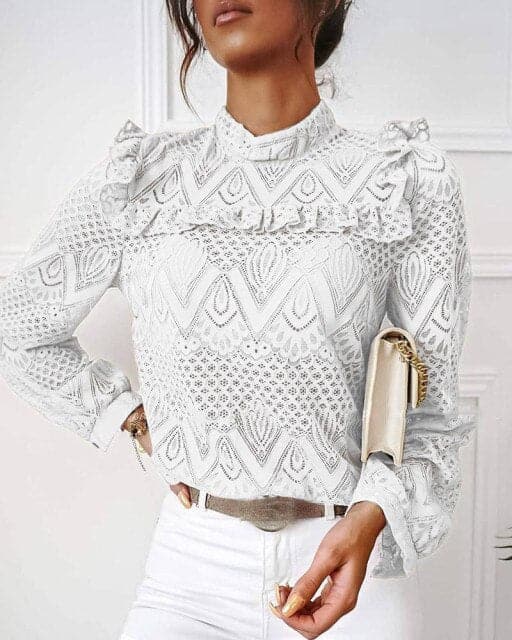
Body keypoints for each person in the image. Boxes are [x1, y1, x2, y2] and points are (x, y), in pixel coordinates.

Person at [0, 1, 475, 638]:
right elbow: (18, 325)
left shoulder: (404, 180)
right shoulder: (142, 179)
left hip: (349, 574)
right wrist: (130, 417)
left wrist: (370, 517)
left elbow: (431, 416)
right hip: (188, 575)